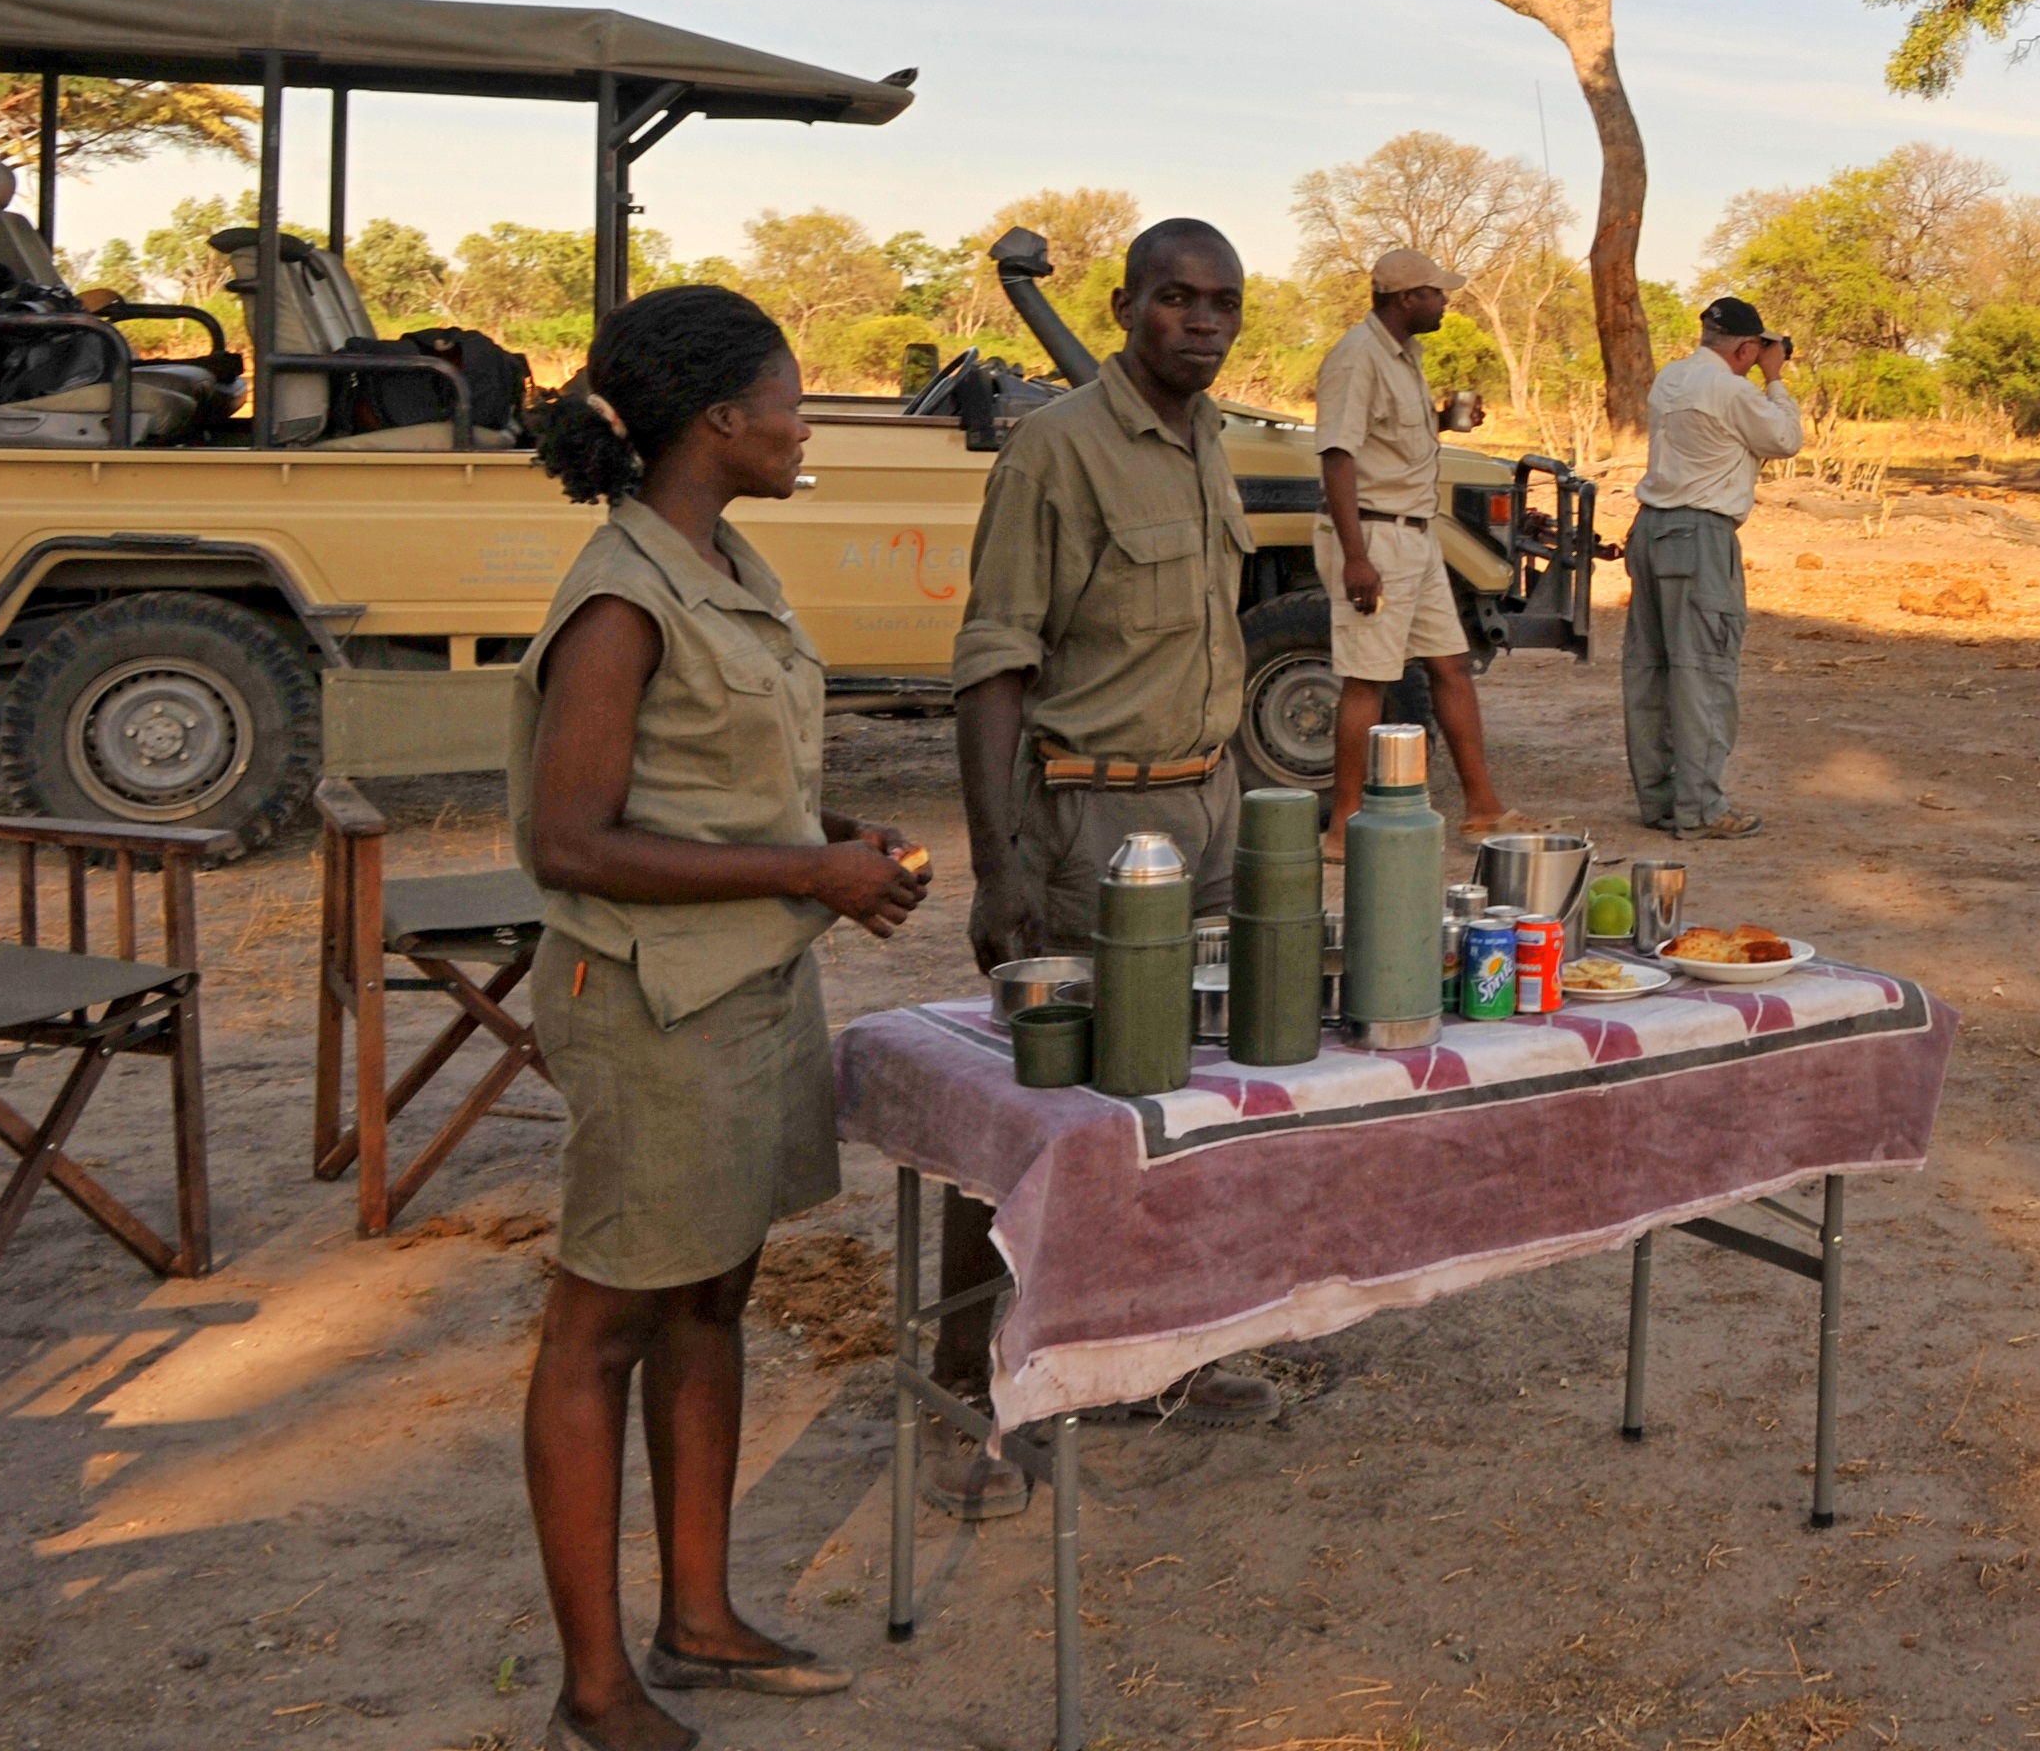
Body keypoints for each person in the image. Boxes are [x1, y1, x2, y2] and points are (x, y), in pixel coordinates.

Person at [511, 284, 928, 1751]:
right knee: (604, 1326)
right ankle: (595, 1685)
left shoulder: (719, 565)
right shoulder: (623, 593)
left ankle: (697, 1618)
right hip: (650, 1007)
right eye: (796, 402)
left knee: (709, 1302)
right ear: (724, 421)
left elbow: (716, 779)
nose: (807, 425)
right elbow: (570, 839)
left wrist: (830, 835)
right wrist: (802, 865)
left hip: (745, 990)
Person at [934, 216, 1279, 1474]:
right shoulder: (1054, 452)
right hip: (1089, 823)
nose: (1200, 322)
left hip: (1210, 809)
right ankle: (974, 1405)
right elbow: (991, 665)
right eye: (1176, 299)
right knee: (1037, 1119)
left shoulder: (1209, 445)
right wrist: (998, 866)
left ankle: (1160, 1359)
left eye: (1222, 304)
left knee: (1186, 1097)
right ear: (1125, 304)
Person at [1312, 244, 1511, 831]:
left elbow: (1388, 442)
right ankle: (1346, 827)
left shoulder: (1404, 353)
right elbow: (1337, 456)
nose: (1445, 301)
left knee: (1449, 666)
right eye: (1436, 293)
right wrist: (1356, 558)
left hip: (1415, 535)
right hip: (1374, 535)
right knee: (1367, 680)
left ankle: (1484, 809)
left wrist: (1445, 419)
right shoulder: (1357, 358)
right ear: (1405, 299)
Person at [1621, 293, 1800, 838]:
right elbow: (1786, 438)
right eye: (1759, 349)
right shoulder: (1730, 388)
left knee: (1651, 670)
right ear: (1747, 348)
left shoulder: (1671, 379)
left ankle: (1660, 800)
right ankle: (1701, 809)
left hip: (1650, 528)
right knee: (1704, 673)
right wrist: (1775, 378)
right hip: (1699, 535)